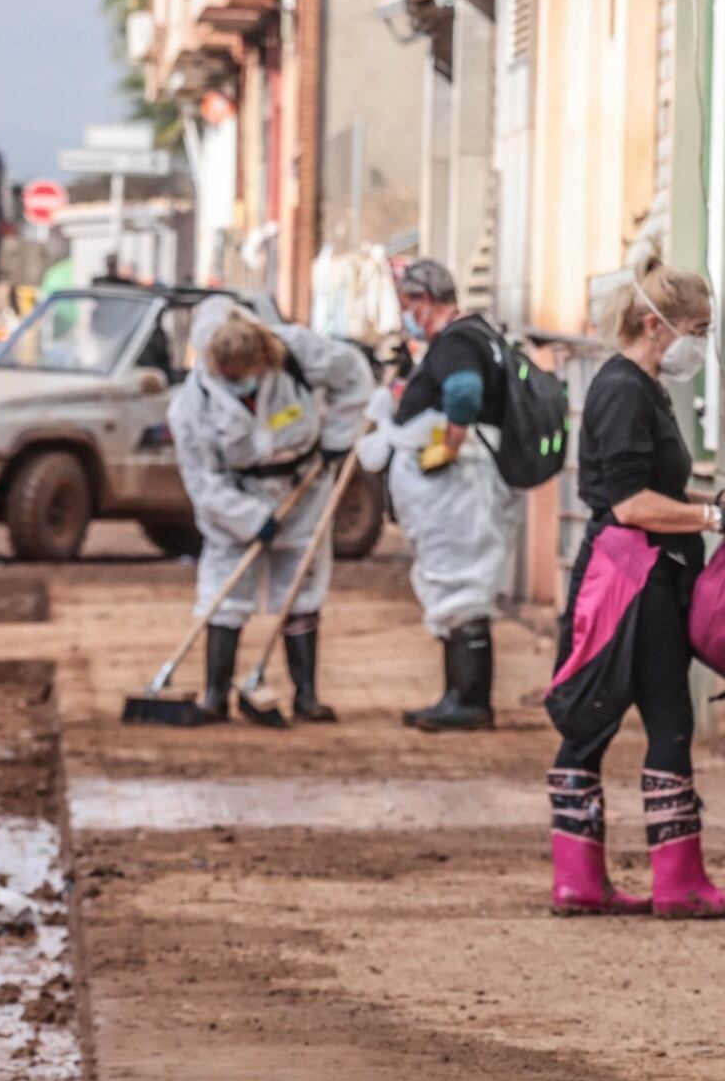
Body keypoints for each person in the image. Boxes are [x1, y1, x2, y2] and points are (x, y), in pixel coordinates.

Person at [544, 260, 725, 919]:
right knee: (628, 717)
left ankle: (608, 879)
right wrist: (713, 518)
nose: (702, 343)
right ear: (654, 325)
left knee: (651, 716)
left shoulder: (639, 388)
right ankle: (671, 882)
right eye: (698, 330)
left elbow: (655, 488)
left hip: (648, 573)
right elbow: (630, 503)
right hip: (630, 580)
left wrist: (714, 498)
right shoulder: (623, 391)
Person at [167, 299, 372, 722]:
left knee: (301, 586)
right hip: (236, 498)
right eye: (229, 377)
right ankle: (214, 695)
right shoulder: (192, 406)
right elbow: (202, 482)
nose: (238, 383)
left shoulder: (295, 352)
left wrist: (337, 438)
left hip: (304, 486)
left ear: (262, 358)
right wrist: (248, 518)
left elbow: (353, 378)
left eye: (244, 374)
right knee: (224, 592)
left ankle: (307, 696)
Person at [359, 257, 519, 731]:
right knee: (452, 583)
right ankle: (456, 695)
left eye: (408, 305)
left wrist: (447, 447)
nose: (407, 315)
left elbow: (465, 394)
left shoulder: (457, 341)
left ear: (425, 301)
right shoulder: (474, 337)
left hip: (457, 489)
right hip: (460, 487)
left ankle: (470, 701)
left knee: (460, 584)